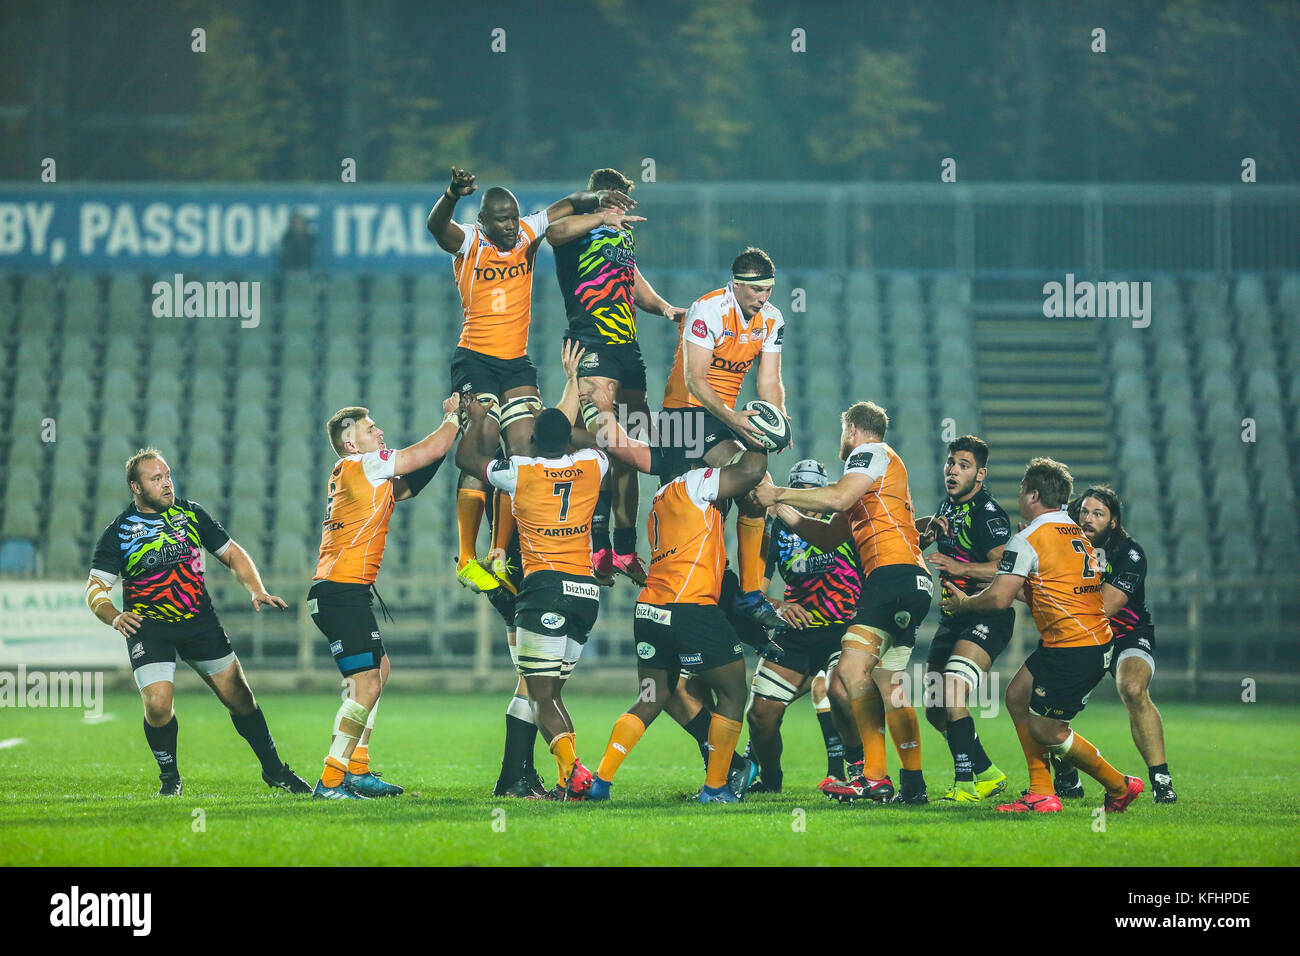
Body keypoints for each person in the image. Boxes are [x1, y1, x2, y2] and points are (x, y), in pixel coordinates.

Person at [427, 166, 634, 595]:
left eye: (512, 218)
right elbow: (436, 226)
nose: (509, 227)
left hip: (516, 363)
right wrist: (451, 194)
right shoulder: (469, 241)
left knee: (525, 452)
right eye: (501, 220)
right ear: (483, 220)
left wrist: (602, 200)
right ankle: (467, 559)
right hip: (475, 361)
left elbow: (570, 202)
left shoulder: (525, 232)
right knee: (483, 435)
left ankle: (498, 554)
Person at [85, 449, 310, 797]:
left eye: (167, 476)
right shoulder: (119, 531)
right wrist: (114, 616)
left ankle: (274, 770)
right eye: (155, 479)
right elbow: (96, 589)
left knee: (241, 700)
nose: (166, 484)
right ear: (135, 486)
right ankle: (170, 778)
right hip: (150, 626)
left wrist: (256, 588)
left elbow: (232, 553)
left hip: (199, 621)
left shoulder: (190, 514)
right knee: (158, 704)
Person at [583, 404, 770, 803]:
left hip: (650, 609)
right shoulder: (698, 481)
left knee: (652, 696)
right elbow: (751, 472)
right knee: (734, 694)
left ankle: (601, 781)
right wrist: (762, 435)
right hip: (691, 608)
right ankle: (716, 788)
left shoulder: (660, 498)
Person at [942, 458, 1144, 814]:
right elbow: (1050, 588)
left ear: (1033, 494)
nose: (1019, 494)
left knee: (1047, 728)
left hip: (1076, 647)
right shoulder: (1075, 532)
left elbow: (1000, 599)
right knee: (1017, 696)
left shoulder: (1028, 539)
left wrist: (965, 605)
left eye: (1022, 489)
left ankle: (1119, 784)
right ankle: (1041, 790)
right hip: (1077, 640)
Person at [754, 401, 931, 804]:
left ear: (851, 429)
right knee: (889, 685)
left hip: (890, 576)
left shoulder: (869, 454)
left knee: (850, 671)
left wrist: (778, 490)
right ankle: (913, 785)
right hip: (913, 580)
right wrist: (780, 507)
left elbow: (836, 497)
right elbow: (830, 537)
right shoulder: (870, 485)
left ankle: (873, 775)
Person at [456, 341, 608, 800]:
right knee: (547, 691)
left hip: (542, 588)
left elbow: (468, 462)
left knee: (542, 695)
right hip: (586, 594)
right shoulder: (592, 465)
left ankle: (573, 774)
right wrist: (573, 390)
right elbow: (577, 437)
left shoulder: (522, 471)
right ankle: (535, 779)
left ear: (534, 442)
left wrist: (477, 420)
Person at [307, 396, 460, 799]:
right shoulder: (365, 464)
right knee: (367, 685)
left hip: (342, 592)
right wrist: (453, 418)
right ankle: (331, 778)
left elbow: (409, 485)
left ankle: (357, 769)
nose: (379, 431)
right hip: (341, 592)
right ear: (351, 441)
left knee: (379, 670)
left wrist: (446, 448)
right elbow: (427, 450)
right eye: (369, 427)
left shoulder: (357, 473)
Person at [549, 166, 685, 586]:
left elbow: (632, 279)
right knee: (604, 439)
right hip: (592, 341)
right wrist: (599, 215)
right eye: (612, 200)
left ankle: (624, 550)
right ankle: (598, 546)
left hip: (628, 350)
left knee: (630, 448)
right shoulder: (578, 225)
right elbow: (552, 232)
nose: (618, 208)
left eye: (623, 202)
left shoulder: (621, 233)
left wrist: (665, 308)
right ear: (596, 197)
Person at [658, 247, 788, 628]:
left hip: (723, 421)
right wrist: (733, 418)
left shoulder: (772, 318)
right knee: (700, 517)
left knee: (757, 491)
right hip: (684, 416)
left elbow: (769, 380)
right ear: (737, 285)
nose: (763, 297)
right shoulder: (708, 309)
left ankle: (750, 596)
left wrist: (778, 419)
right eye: (757, 290)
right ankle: (704, 599)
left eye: (769, 289)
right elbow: (695, 380)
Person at [745, 459, 864, 794]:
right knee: (760, 715)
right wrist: (781, 607)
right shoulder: (777, 530)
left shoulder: (843, 521)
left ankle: (858, 773)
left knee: (840, 691)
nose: (806, 499)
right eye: (801, 492)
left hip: (843, 628)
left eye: (814, 493)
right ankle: (770, 781)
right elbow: (756, 593)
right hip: (796, 633)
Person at [1061, 487, 1176, 803]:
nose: (1088, 519)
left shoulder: (1130, 553)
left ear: (1113, 521)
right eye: (1084, 511)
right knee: (1046, 704)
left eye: (1098, 514)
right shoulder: (1064, 542)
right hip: (1082, 635)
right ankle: (1066, 777)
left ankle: (1161, 779)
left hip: (1126, 634)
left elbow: (1107, 606)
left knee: (1133, 688)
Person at [916, 435, 1013, 803]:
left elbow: (1008, 568)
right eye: (951, 463)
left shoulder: (988, 513)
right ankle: (987, 773)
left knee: (954, 690)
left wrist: (962, 566)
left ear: (981, 474)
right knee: (935, 710)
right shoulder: (949, 505)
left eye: (963, 465)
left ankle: (965, 786)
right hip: (952, 616)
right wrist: (928, 536)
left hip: (986, 613)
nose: (953, 470)